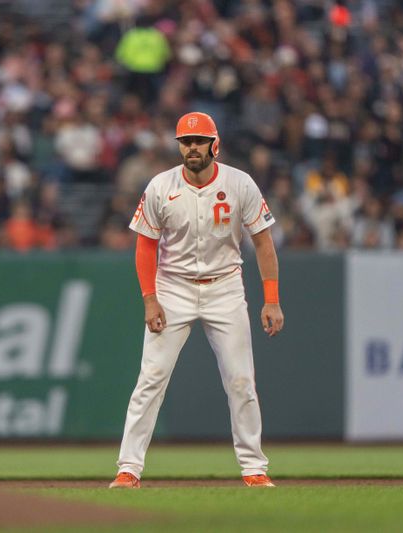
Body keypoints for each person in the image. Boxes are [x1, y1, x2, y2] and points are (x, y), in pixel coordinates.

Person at [110, 112, 285, 489]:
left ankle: (254, 468)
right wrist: (149, 299)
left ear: (214, 144)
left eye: (198, 140)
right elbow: (145, 246)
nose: (191, 147)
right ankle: (128, 469)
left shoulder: (240, 184)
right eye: (185, 142)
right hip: (173, 287)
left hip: (225, 286)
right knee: (151, 378)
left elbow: (263, 243)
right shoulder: (161, 185)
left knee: (240, 380)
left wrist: (271, 299)